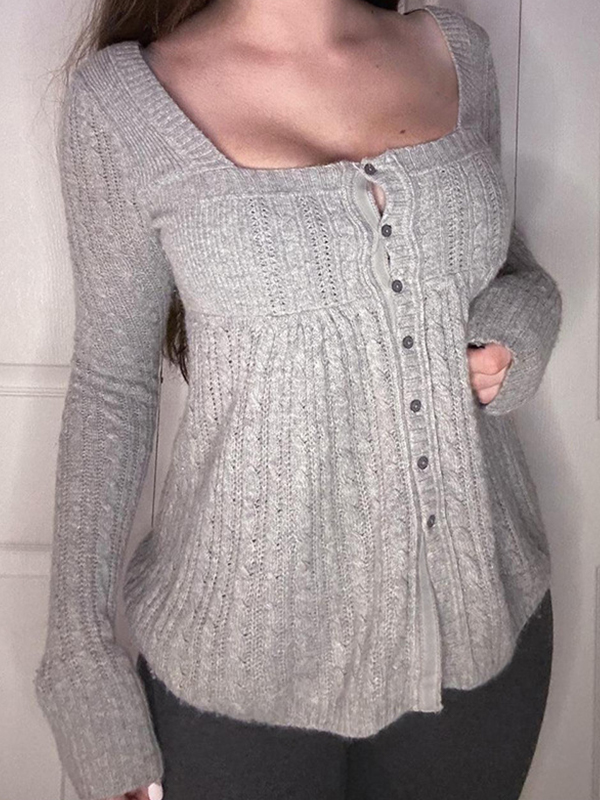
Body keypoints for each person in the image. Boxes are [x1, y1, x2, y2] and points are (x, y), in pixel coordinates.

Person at [34, 1, 562, 799]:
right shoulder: (125, 101)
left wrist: (521, 322)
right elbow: (112, 386)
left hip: (485, 627)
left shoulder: (457, 50)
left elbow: (503, 263)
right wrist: (81, 663)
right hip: (240, 667)